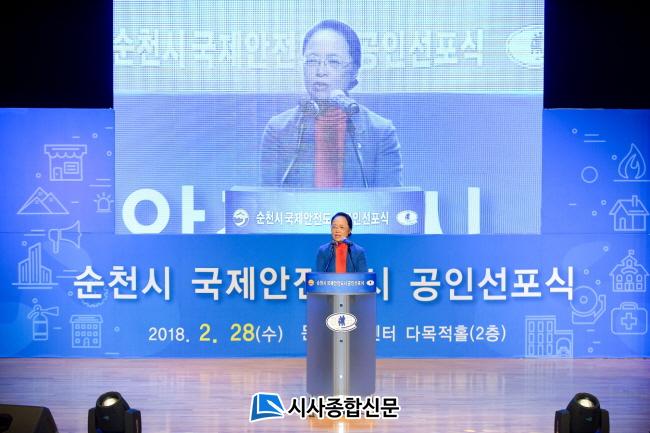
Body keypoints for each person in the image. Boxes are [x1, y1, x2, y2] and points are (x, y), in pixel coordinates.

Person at [260, 19, 403, 188]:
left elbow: (391, 200)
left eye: (333, 62)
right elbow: (267, 198)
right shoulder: (278, 130)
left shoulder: (380, 132)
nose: (320, 71)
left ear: (354, 70)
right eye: (312, 61)